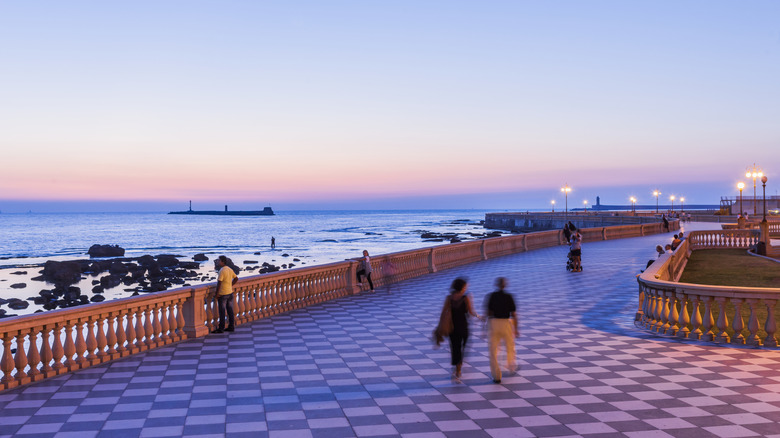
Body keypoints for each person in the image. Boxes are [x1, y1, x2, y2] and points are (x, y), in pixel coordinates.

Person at [443, 278, 480, 383]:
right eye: (465, 286)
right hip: (463, 326)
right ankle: (458, 368)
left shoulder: (449, 298)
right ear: (462, 287)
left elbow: (443, 312)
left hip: (452, 327)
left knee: (455, 348)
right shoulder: (466, 298)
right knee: (462, 347)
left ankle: (456, 368)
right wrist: (479, 316)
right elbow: (471, 312)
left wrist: (441, 325)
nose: (466, 288)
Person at [485, 277, 518, 384]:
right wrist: (516, 329)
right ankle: (510, 364)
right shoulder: (509, 297)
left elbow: (488, 312)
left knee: (493, 350)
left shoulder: (491, 296)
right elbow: (514, 314)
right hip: (506, 323)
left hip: (493, 323)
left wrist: (484, 327)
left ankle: (496, 376)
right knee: (510, 345)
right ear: (505, 285)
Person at [214, 255, 238, 333]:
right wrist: (230, 285)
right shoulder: (229, 269)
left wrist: (217, 294)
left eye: (219, 260)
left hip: (223, 294)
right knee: (230, 311)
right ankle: (231, 326)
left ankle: (221, 328)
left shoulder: (222, 270)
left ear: (222, 262)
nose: (217, 261)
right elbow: (236, 278)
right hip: (230, 293)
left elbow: (219, 283)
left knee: (222, 312)